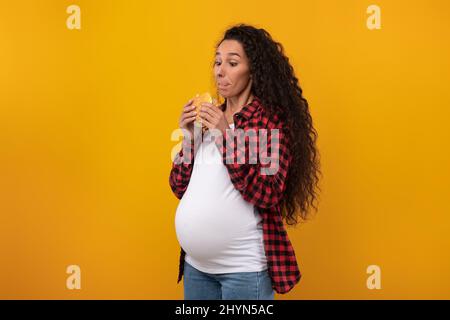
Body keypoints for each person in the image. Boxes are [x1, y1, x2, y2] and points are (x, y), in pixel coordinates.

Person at [169, 24, 320, 300]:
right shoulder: (208, 116)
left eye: (232, 62)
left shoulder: (270, 122)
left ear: (253, 70)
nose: (220, 70)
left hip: (244, 271)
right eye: (217, 62)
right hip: (196, 268)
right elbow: (179, 187)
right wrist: (189, 139)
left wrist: (226, 136)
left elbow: (268, 192)